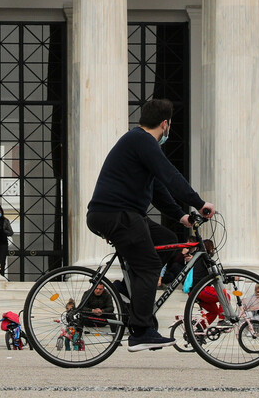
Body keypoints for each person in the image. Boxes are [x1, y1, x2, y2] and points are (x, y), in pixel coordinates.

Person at [86, 98, 215, 352]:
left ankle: (129, 294)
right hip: (116, 214)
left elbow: (157, 187)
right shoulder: (142, 141)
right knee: (150, 265)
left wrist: (181, 216)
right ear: (165, 124)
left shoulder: (139, 142)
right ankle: (141, 331)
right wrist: (200, 203)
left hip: (121, 215)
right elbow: (170, 175)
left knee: (166, 241)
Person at [0, 203, 14, 277]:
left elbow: (11, 232)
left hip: (2, 244)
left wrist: (4, 231)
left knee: (1, 262)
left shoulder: (5, 221)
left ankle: (1, 275)